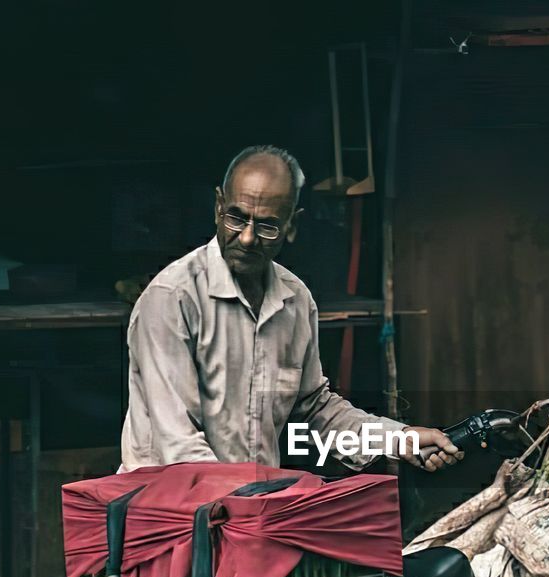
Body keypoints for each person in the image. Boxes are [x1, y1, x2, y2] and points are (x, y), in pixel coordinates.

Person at [120, 145, 462, 473]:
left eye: (267, 225)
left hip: (248, 510)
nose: (248, 238)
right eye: (237, 218)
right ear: (218, 208)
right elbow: (177, 446)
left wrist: (399, 439)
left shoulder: (295, 301)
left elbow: (314, 410)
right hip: (173, 515)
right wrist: (251, 508)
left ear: (292, 226)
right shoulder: (172, 298)